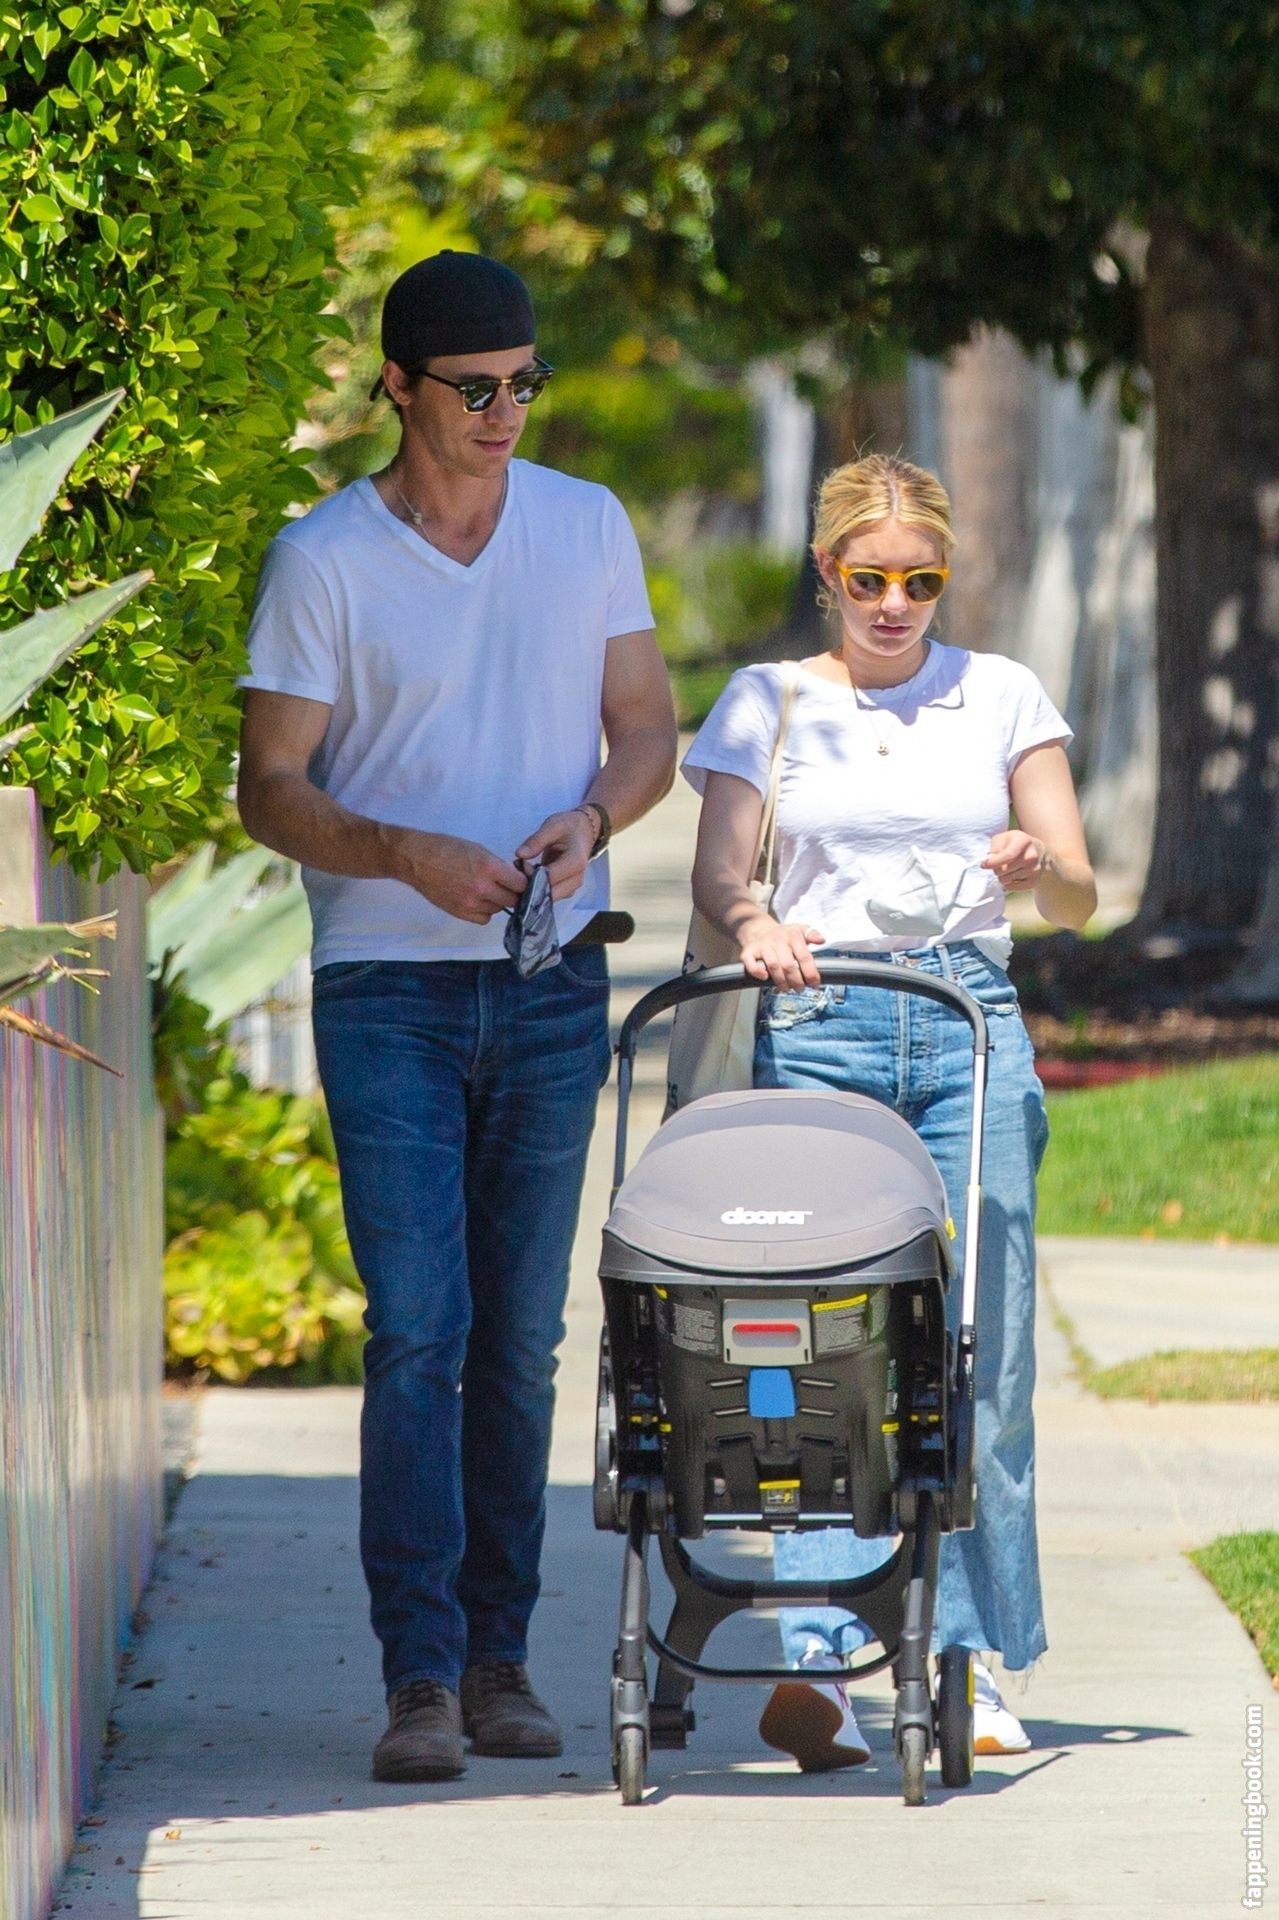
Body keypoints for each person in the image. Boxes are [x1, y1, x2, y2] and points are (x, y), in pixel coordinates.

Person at [236, 251, 677, 1783]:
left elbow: (646, 730)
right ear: (400, 389)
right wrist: (399, 852)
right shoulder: (323, 561)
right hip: (387, 990)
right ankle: (418, 1675)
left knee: (523, 1343)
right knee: (420, 1329)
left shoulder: (587, 525)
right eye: (475, 389)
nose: (505, 412)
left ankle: (502, 1661)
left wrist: (593, 817)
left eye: (524, 384)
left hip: (551, 980)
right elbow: (270, 786)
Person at [681, 453, 1095, 1772]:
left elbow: (1080, 890)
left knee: (986, 1354)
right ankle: (822, 1656)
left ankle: (965, 1662)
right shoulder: (769, 701)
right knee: (824, 1353)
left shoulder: (1002, 695)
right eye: (870, 580)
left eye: (922, 581)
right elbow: (719, 873)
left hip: (969, 1021)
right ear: (828, 573)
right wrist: (755, 924)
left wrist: (1038, 864)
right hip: (823, 1024)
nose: (896, 606)